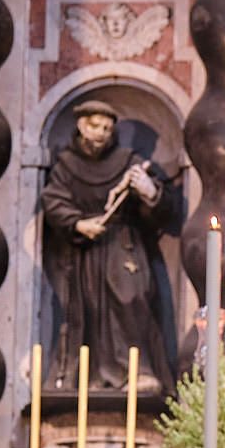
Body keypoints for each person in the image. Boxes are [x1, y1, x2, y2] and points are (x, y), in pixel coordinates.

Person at [40, 97, 176, 391]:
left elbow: (164, 206)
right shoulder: (66, 165)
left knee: (131, 298)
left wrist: (149, 191)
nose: (101, 133)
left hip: (124, 245)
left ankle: (140, 371)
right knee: (88, 309)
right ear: (81, 126)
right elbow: (53, 201)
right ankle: (91, 378)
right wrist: (78, 223)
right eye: (95, 126)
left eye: (106, 128)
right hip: (85, 252)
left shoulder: (128, 161)